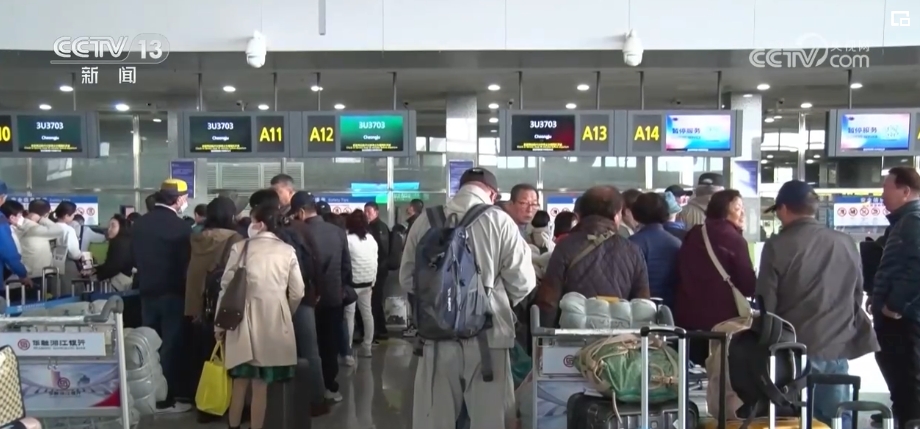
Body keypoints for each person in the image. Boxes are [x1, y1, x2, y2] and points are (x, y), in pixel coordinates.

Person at [399, 167, 536, 429]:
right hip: (489, 337)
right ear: (493, 194)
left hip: (437, 337)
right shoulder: (500, 221)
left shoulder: (426, 220)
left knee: (434, 418)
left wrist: (441, 300)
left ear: (459, 188)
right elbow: (524, 281)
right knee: (490, 419)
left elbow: (407, 279)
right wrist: (493, 299)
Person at [756, 180, 878, 428]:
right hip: (834, 345)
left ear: (783, 208)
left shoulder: (776, 246)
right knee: (835, 415)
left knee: (792, 416)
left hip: (791, 349)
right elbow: (856, 293)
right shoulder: (845, 242)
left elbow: (766, 302)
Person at [217, 203, 305, 429]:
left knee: (239, 382)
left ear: (260, 224)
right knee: (260, 385)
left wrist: (220, 325)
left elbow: (225, 288)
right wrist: (286, 312)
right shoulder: (287, 251)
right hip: (274, 322)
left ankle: (233, 425)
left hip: (241, 321)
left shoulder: (241, 248)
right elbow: (298, 291)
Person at [535, 186, 650, 327]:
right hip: (618, 340)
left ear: (580, 214)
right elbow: (641, 303)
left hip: (571, 336)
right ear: (616, 215)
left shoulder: (565, 246)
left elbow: (549, 301)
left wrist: (545, 337)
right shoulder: (633, 250)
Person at [130, 179, 193, 413]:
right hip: (174, 294)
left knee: (148, 343)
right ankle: (167, 397)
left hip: (147, 292)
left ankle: (148, 394)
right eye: (185, 197)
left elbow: (134, 258)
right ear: (178, 200)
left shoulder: (139, 224)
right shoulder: (181, 228)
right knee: (171, 345)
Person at [674, 189, 755, 364]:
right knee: (720, 372)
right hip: (723, 321)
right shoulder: (734, 240)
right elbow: (747, 284)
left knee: (693, 375)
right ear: (723, 210)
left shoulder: (694, 234)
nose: (743, 213)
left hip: (688, 318)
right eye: (738, 208)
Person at [288, 191, 350, 403]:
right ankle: (331, 386)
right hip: (332, 296)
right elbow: (345, 266)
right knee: (329, 343)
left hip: (305, 298)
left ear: (301, 212)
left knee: (306, 346)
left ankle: (307, 391)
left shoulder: (297, 232)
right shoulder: (338, 231)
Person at [872, 166, 920, 425]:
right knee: (902, 387)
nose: (882, 195)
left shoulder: (913, 221)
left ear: (905, 191)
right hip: (898, 320)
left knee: (909, 386)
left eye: (886, 188)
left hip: (905, 321)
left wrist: (894, 304)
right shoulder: (904, 221)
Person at [629, 192, 681, 309]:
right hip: (671, 308)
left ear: (635, 213)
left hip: (639, 308)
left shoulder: (631, 243)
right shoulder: (676, 242)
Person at [344, 210, 379, 359]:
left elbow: (345, 262)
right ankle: (367, 347)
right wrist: (373, 281)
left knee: (349, 317)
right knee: (367, 314)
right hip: (368, 283)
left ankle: (349, 351)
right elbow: (375, 260)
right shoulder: (371, 239)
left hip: (352, 284)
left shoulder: (348, 239)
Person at [364, 201, 390, 341]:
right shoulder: (369, 227)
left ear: (376, 212)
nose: (366, 214)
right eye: (365, 211)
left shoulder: (380, 228)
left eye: (369, 211)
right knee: (373, 301)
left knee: (375, 300)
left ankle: (381, 329)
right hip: (374, 270)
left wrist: (377, 268)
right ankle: (377, 329)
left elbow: (383, 251)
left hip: (379, 270)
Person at [18, 199, 61, 281]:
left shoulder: (19, 224)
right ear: (46, 214)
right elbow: (59, 231)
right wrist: (41, 219)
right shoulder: (35, 228)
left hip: (24, 270)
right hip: (37, 273)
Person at [92, 214, 134, 290]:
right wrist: (96, 269)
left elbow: (114, 266)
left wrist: (98, 276)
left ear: (121, 227)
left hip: (119, 282)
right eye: (109, 227)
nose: (109, 229)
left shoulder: (119, 243)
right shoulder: (126, 240)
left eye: (113, 226)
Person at [50, 201, 84, 291]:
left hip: (51, 264)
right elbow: (74, 253)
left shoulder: (49, 227)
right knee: (69, 291)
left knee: (55, 290)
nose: (73, 217)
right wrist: (81, 255)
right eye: (72, 214)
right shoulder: (69, 230)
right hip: (66, 265)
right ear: (66, 216)